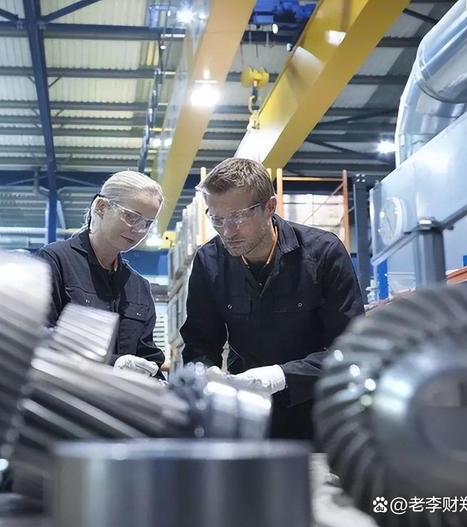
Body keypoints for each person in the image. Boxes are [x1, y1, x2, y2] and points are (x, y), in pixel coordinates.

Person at [180, 158, 364, 440]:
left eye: (238, 217)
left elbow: (350, 348)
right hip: (248, 414)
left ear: (270, 207)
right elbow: (199, 341)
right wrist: (209, 373)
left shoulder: (323, 253)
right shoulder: (209, 261)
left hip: (319, 412)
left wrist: (281, 376)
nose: (228, 231)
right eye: (217, 219)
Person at [38, 170, 165, 376]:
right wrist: (112, 363)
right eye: (131, 217)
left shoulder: (138, 287)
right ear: (101, 207)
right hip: (64, 390)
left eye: (147, 223)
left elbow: (147, 355)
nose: (139, 230)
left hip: (118, 395)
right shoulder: (55, 261)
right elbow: (40, 337)